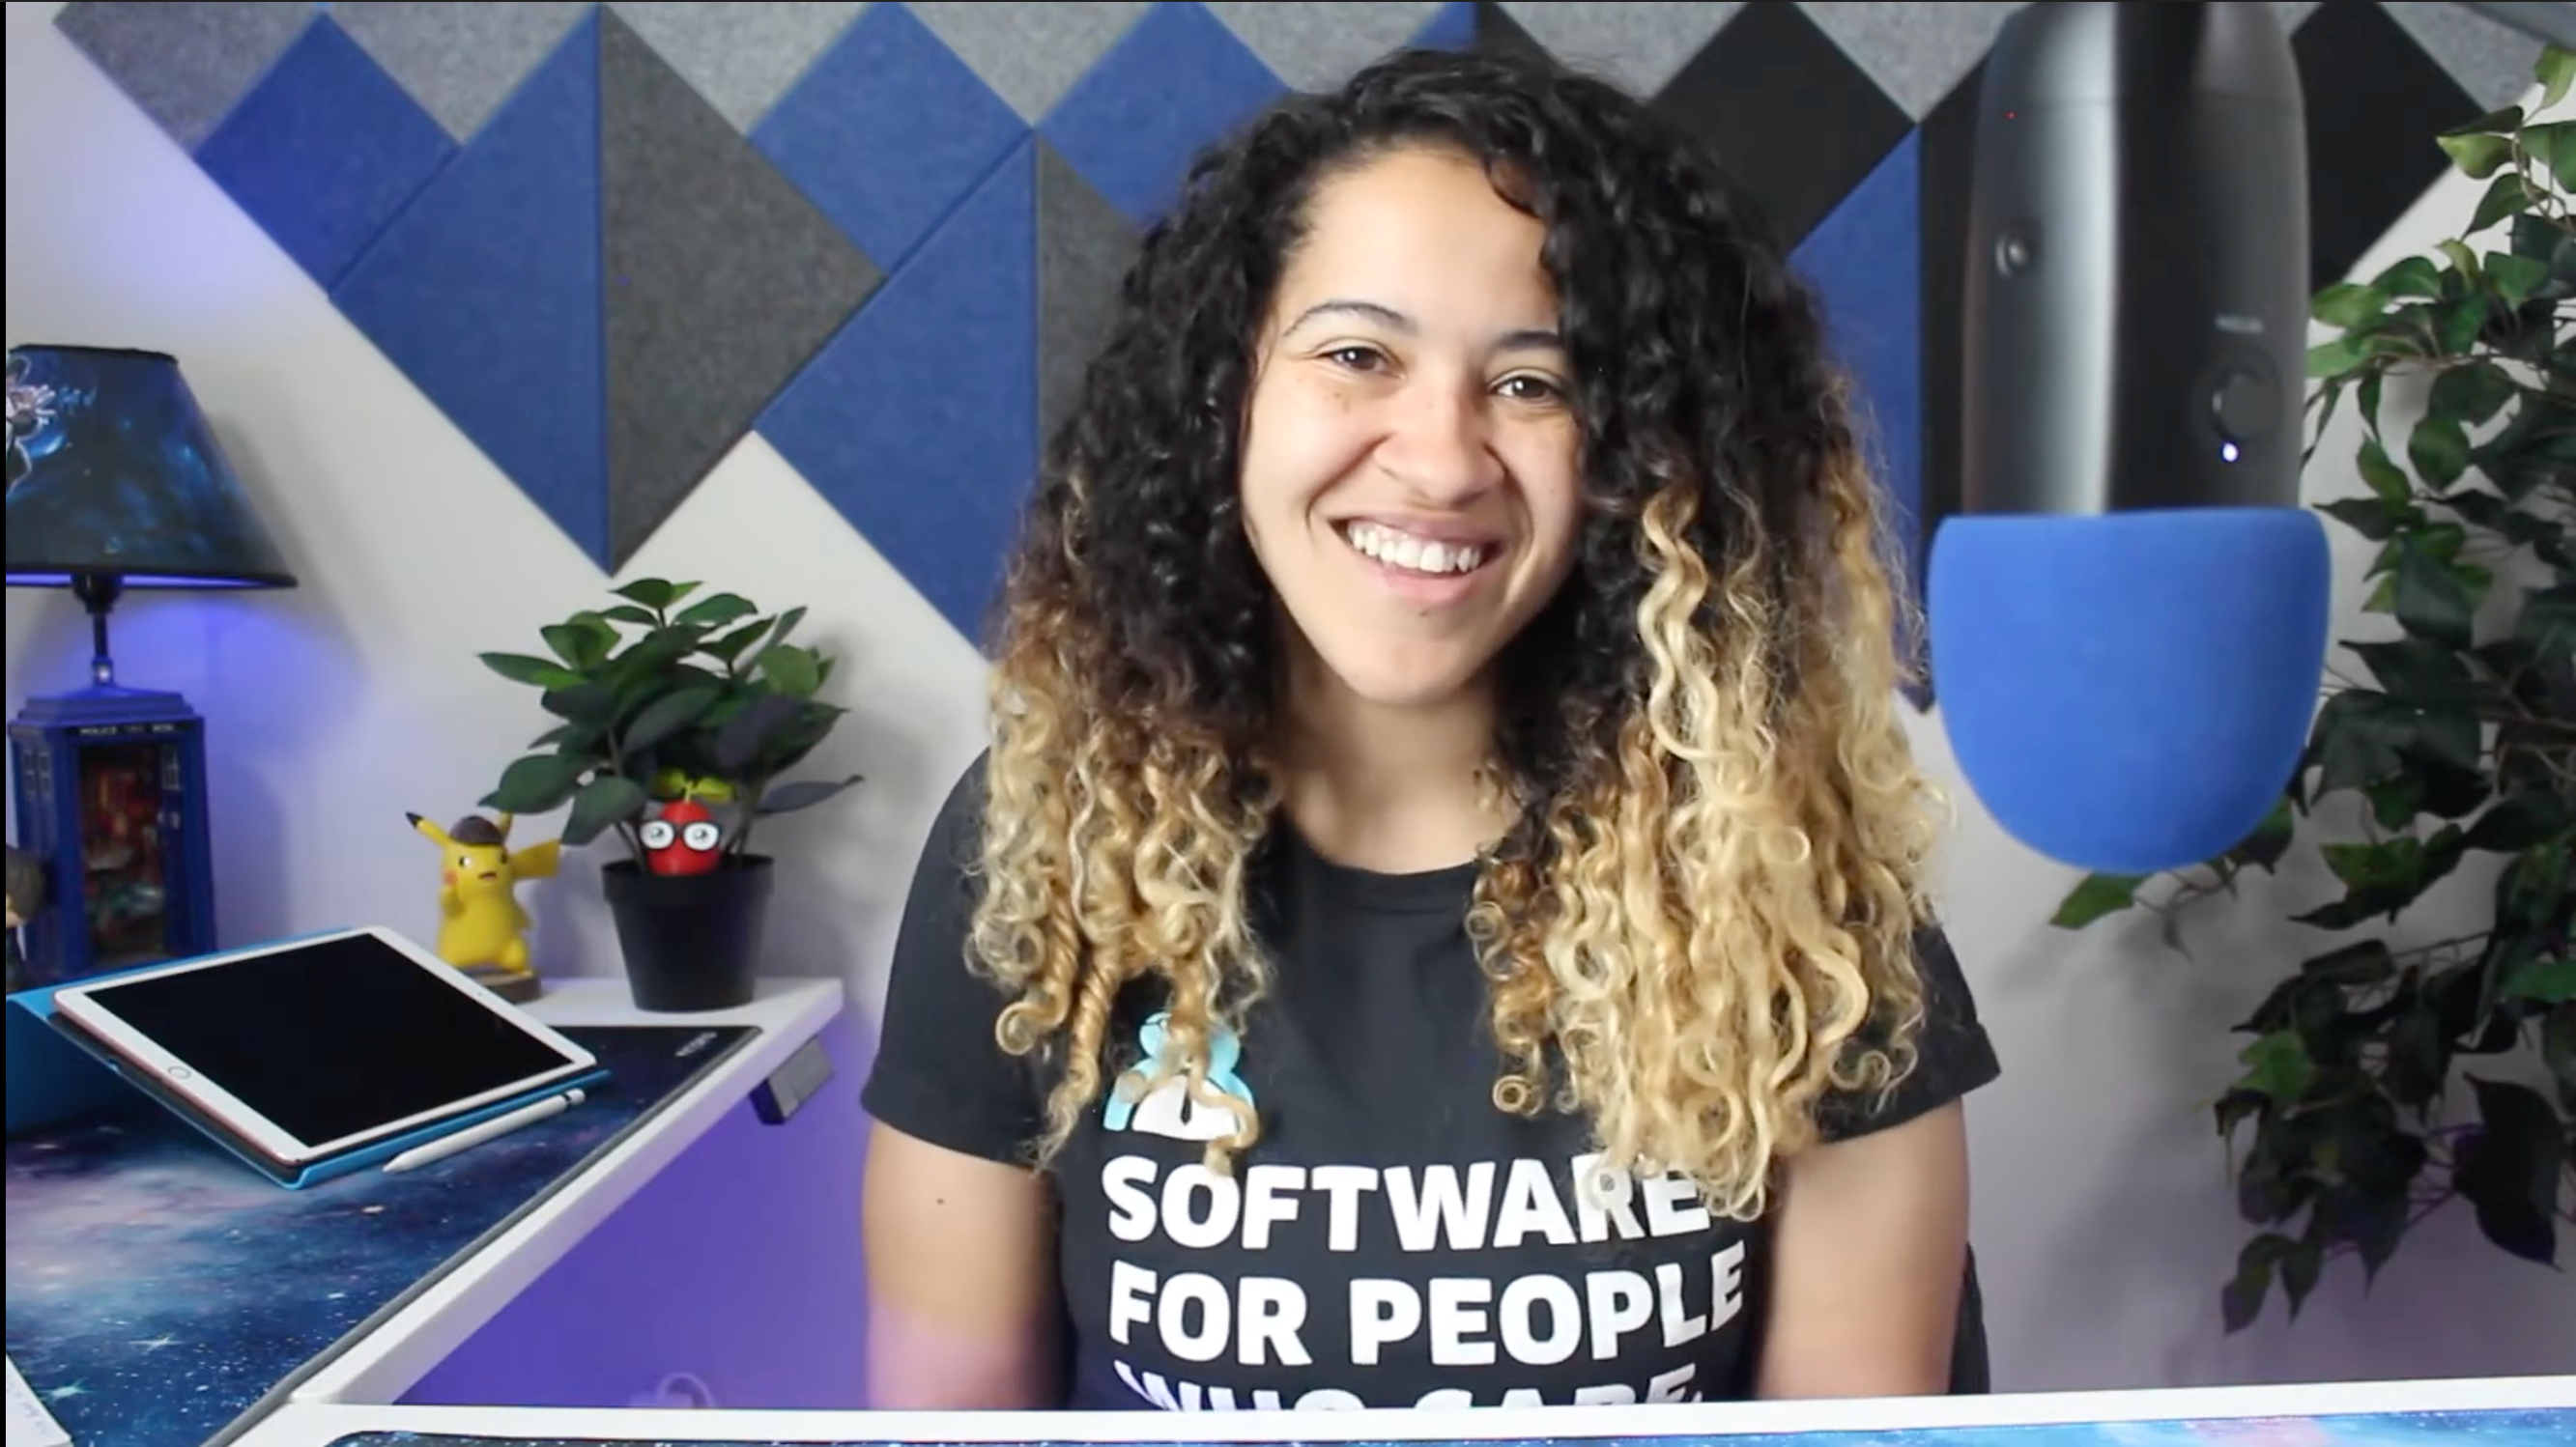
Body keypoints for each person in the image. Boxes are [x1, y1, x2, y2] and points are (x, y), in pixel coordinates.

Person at [858, 43, 2001, 1413]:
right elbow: (950, 1420)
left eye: (1534, 382)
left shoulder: (1795, 880)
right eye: (1356, 354)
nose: (1442, 456)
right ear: (1226, 396)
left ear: (1642, 453)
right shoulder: (1041, 846)